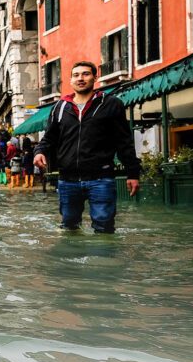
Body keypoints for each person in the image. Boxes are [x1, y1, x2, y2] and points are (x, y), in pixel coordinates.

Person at [34, 61, 140, 233]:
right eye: (76, 75)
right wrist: (39, 152)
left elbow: (124, 141)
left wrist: (133, 173)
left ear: (95, 78)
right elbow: (49, 138)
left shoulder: (111, 104)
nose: (80, 78)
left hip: (101, 178)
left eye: (86, 74)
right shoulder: (59, 107)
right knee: (69, 228)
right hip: (67, 180)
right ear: (70, 80)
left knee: (104, 228)